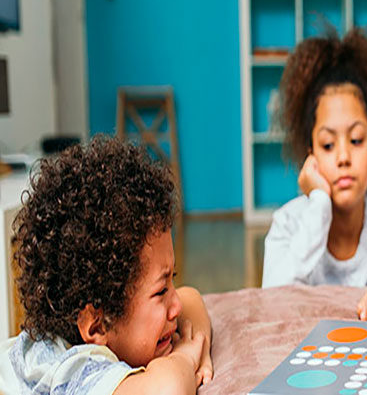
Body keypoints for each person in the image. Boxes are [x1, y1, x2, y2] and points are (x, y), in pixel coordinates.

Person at [0, 137, 212, 394]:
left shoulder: (81, 331)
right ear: (96, 325)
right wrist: (186, 356)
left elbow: (192, 299)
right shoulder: (73, 371)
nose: (176, 306)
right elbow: (167, 390)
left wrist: (198, 337)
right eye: (160, 292)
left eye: (172, 279)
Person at [262, 29, 367, 323]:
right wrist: (319, 202)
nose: (343, 157)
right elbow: (273, 293)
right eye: (327, 145)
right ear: (311, 155)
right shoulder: (288, 223)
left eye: (357, 140)